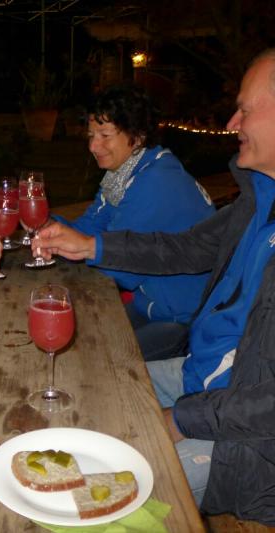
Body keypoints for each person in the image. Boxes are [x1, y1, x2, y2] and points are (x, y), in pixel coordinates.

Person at [34, 37, 275, 524]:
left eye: (245, 109)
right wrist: (91, 247)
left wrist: (181, 420)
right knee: (76, 394)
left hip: (273, 454)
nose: (232, 123)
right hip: (205, 378)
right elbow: (187, 247)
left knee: (79, 496)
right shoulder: (268, 193)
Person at [59, 85, 214, 361]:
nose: (93, 146)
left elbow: (121, 268)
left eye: (105, 135)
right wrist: (48, 226)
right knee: (78, 337)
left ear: (138, 135)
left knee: (95, 359)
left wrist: (70, 245)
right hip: (152, 306)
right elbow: (91, 226)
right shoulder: (123, 176)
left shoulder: (156, 181)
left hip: (186, 319)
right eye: (91, 135)